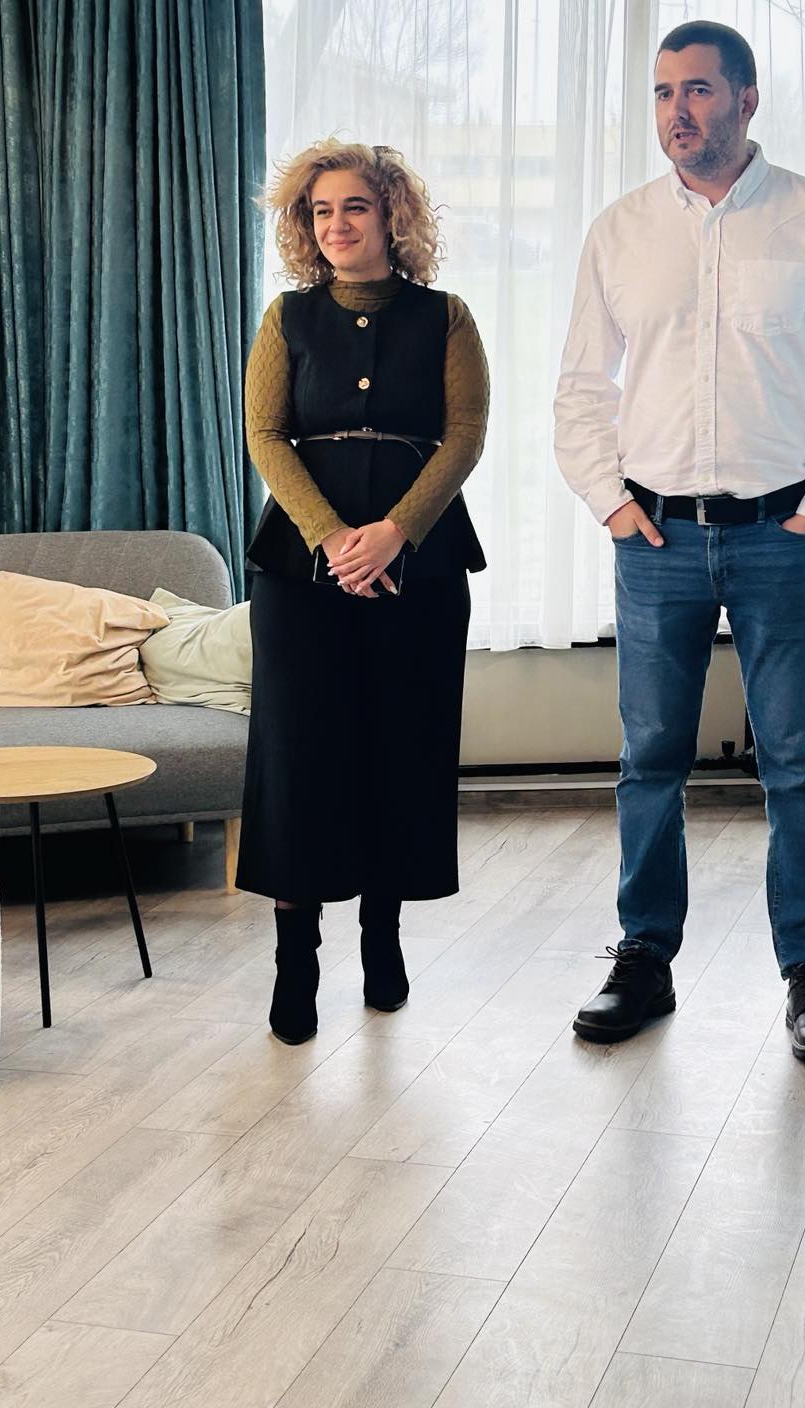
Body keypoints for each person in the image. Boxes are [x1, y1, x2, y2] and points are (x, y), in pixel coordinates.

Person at [554, 21, 805, 1065]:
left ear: (747, 100)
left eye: (699, 90)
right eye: (664, 92)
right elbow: (581, 386)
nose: (678, 112)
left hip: (779, 537)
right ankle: (644, 959)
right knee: (649, 760)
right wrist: (612, 505)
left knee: (797, 764)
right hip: (654, 538)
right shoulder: (620, 232)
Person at [239, 140, 489, 1045]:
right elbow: (266, 436)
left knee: (401, 748)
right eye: (320, 211)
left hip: (419, 567)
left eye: (354, 206)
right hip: (299, 571)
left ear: (392, 216)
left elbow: (465, 435)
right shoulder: (287, 319)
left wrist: (395, 532)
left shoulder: (446, 317)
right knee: (299, 759)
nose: (336, 225)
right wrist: (332, 538)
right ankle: (295, 961)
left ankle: (383, 940)